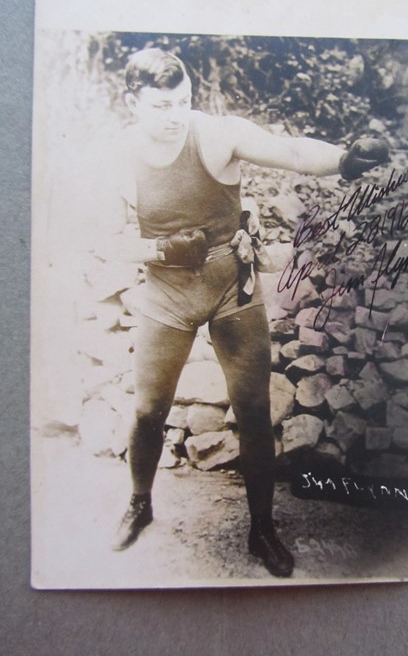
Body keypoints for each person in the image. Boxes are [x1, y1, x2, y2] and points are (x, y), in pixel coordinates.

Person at [108, 47, 389, 578]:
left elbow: (291, 151)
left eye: (182, 102)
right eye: (160, 106)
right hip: (165, 295)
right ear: (132, 103)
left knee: (254, 410)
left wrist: (347, 158)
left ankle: (263, 527)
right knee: (148, 411)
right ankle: (140, 502)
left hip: (231, 290)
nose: (173, 117)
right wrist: (161, 250)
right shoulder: (118, 154)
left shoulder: (215, 134)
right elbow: (106, 236)